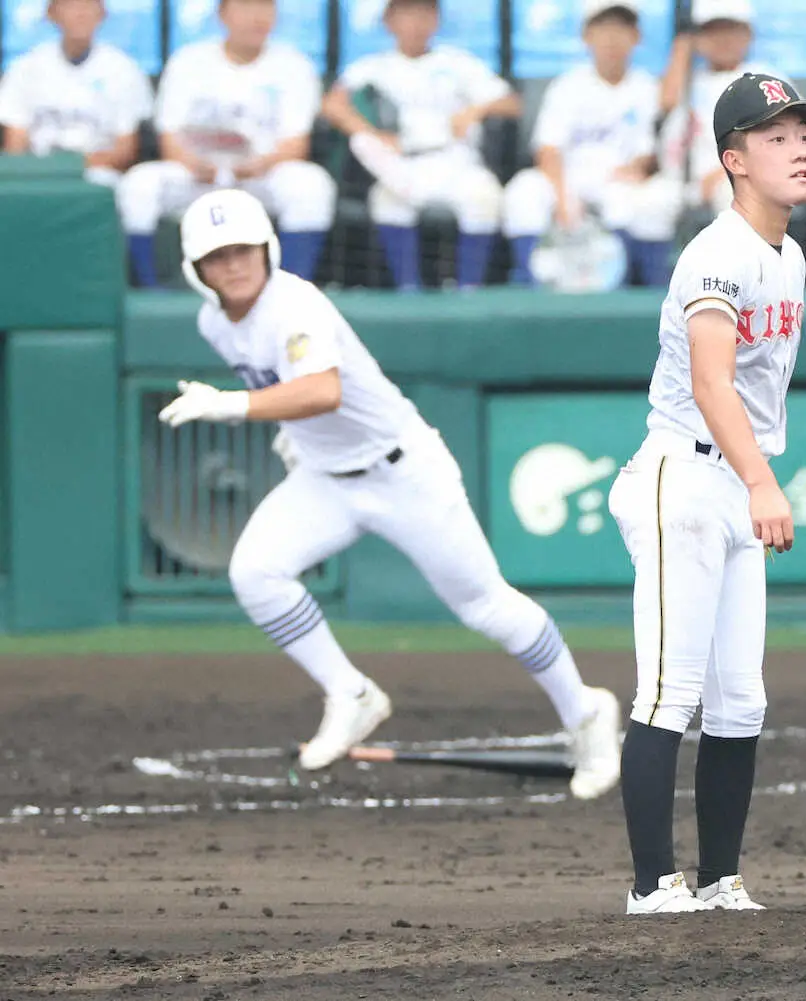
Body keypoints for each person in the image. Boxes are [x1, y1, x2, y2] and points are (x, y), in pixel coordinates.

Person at [156, 187, 622, 800]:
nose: (233, 264)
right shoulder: (214, 320)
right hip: (326, 477)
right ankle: (351, 693)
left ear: (267, 247)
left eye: (243, 249)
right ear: (197, 271)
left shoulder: (295, 304)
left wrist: (231, 405)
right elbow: (297, 398)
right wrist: (291, 434)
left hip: (403, 472)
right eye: (217, 256)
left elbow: (322, 390)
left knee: (486, 606)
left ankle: (586, 712)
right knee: (256, 572)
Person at [607, 73, 806, 914]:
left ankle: (721, 877)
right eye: (774, 136)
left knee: (741, 696)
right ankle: (653, 884)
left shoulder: (788, 254)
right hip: (683, 477)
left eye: (802, 131)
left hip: (732, 481)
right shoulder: (717, 252)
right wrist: (764, 479)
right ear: (733, 160)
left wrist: (754, 478)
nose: (798, 147)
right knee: (669, 687)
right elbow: (710, 380)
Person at [117, 0, 335, 288]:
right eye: (246, 7)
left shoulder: (294, 65)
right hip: (197, 174)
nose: (257, 17)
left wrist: (259, 165)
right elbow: (169, 138)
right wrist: (193, 164)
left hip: (260, 174)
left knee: (311, 185)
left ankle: (291, 289)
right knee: (138, 184)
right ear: (222, 14)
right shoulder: (189, 61)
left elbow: (297, 144)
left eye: (265, 7)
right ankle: (149, 287)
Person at [322, 0, 521, 290]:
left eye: (424, 13)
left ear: (437, 19)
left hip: (455, 159)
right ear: (388, 21)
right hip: (402, 161)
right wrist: (371, 133)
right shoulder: (375, 66)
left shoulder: (458, 63)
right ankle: (408, 288)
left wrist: (475, 110)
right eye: (406, 13)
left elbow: (512, 103)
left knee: (484, 196)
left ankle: (469, 288)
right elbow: (332, 105)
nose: (415, 22)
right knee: (387, 197)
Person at [502, 0, 683, 287]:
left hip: (616, 181)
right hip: (568, 177)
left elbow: (648, 153)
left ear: (636, 36)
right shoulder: (568, 85)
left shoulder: (645, 86)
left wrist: (638, 168)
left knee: (643, 199)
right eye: (603, 28)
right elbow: (547, 149)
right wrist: (563, 198)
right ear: (586, 35)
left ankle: (634, 290)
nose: (612, 38)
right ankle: (531, 285)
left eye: (621, 28)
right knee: (522, 192)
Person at [0, 0, 152, 187]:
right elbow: (15, 146)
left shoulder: (124, 69)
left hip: (97, 172)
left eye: (88, 6)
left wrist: (72, 166)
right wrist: (42, 170)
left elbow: (126, 150)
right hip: (38, 171)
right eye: (70, 6)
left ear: (102, 13)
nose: (80, 14)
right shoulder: (25, 68)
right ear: (51, 13)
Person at [658, 0, 777, 217]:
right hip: (680, 181)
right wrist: (683, 48)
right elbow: (666, 103)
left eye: (730, 30)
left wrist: (724, 173)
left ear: (748, 33)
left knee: (733, 196)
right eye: (712, 31)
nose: (722, 39)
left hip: (736, 178)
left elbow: (779, 144)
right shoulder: (690, 78)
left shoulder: (764, 78)